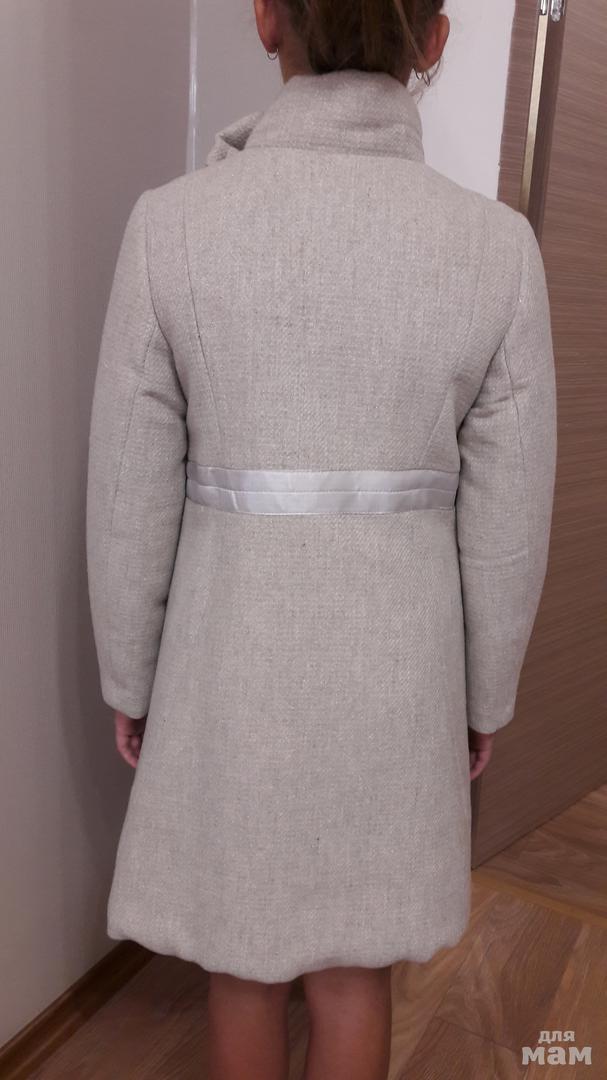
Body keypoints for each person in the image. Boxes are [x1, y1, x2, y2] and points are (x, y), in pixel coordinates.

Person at [85, 0, 558, 1077]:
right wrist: (484, 694)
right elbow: (509, 517)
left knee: (240, 960)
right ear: (433, 40)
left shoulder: (172, 225)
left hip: (225, 656)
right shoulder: (496, 249)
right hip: (401, 669)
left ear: (265, 21)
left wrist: (131, 671)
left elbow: (126, 490)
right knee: (355, 970)